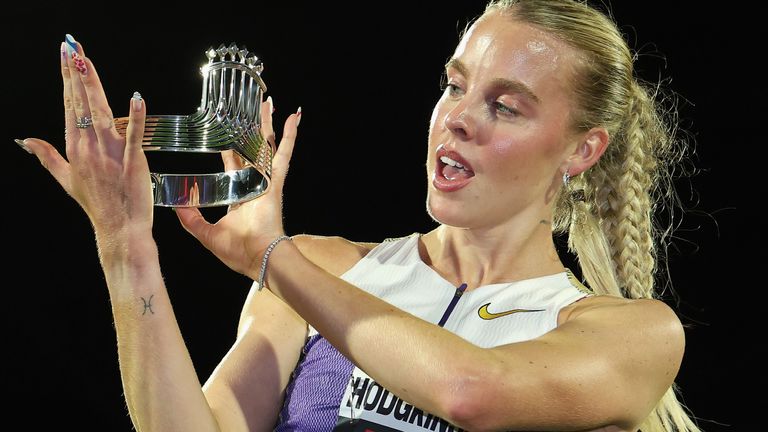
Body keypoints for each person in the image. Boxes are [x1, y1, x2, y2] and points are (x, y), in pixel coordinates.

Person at [15, 0, 702, 430]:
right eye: (454, 86)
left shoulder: (630, 334)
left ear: (583, 149)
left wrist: (271, 258)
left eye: (505, 105)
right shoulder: (325, 267)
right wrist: (127, 247)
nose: (457, 118)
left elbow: (471, 392)